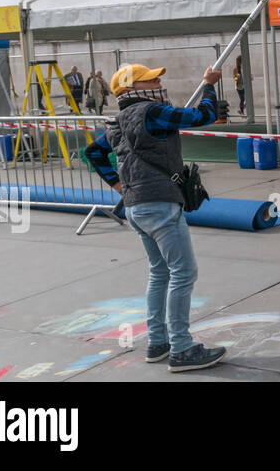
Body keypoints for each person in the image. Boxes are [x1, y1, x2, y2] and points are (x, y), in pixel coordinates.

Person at [83, 62, 230, 372]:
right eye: (149, 80)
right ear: (131, 88)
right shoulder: (152, 113)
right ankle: (181, 348)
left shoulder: (117, 122)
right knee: (183, 273)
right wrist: (209, 86)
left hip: (136, 206)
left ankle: (158, 341)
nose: (157, 85)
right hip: (159, 205)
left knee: (160, 273)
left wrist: (117, 185)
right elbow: (202, 115)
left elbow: (94, 153)